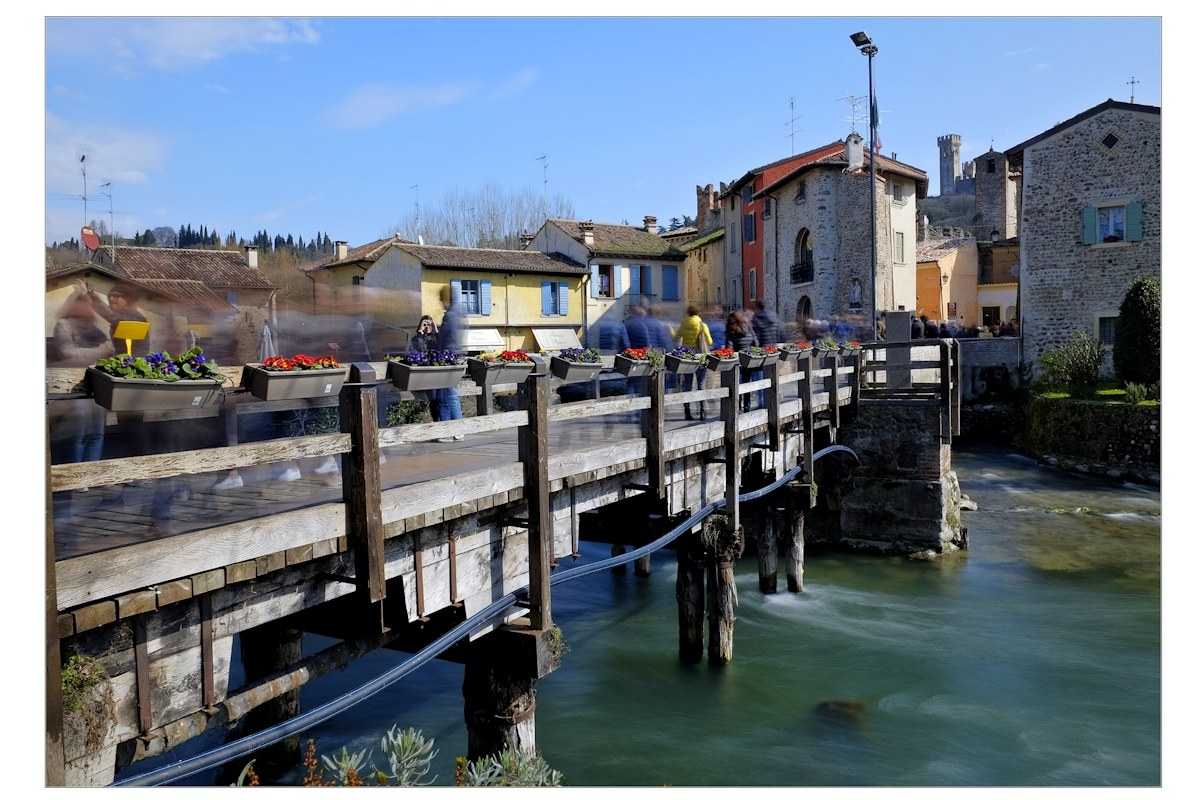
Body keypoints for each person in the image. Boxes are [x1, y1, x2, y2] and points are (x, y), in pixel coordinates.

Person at [51, 292, 115, 477]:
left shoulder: (92, 326)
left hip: (96, 385)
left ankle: (90, 476)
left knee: (97, 434)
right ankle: (76, 475)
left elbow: (110, 344)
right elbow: (68, 353)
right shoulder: (63, 325)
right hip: (73, 387)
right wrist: (101, 351)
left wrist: (104, 347)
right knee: (78, 435)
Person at [73, 278, 149, 356]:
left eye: (116, 296)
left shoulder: (137, 319)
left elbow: (113, 316)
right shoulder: (124, 316)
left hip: (135, 363)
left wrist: (91, 295)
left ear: (128, 299)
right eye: (110, 296)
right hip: (123, 361)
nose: (111, 299)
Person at [436, 285, 466, 441]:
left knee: (450, 393)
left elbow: (445, 339)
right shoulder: (459, 314)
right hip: (455, 356)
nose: (441, 302)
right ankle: (447, 430)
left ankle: (456, 430)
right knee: (446, 394)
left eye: (442, 299)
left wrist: (439, 351)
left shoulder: (450, 315)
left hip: (448, 357)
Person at [676, 305, 713, 420]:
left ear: (688, 313)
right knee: (701, 384)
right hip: (700, 357)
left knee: (687, 384)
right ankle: (703, 411)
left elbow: (677, 336)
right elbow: (710, 342)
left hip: (687, 357)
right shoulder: (702, 325)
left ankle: (687, 411)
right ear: (698, 313)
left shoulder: (684, 323)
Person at [411, 314, 443, 422]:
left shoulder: (436, 338)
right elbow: (419, 348)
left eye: (429, 324)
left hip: (439, 373)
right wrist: (420, 332)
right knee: (434, 399)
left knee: (442, 399)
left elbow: (441, 347)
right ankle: (437, 422)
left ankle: (443, 423)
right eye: (425, 324)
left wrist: (436, 331)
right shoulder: (417, 338)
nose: (427, 327)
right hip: (427, 374)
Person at [725, 310, 757, 413]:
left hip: (736, 361)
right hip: (748, 359)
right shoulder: (749, 328)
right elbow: (756, 343)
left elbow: (729, 347)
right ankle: (747, 406)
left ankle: (736, 405)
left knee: (735, 384)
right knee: (746, 383)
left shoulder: (732, 331)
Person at [749, 300, 779, 408]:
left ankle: (762, 403)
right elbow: (778, 334)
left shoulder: (756, 320)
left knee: (760, 378)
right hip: (773, 350)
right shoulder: (774, 318)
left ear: (757, 307)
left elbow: (755, 338)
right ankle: (772, 402)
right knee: (772, 377)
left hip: (761, 352)